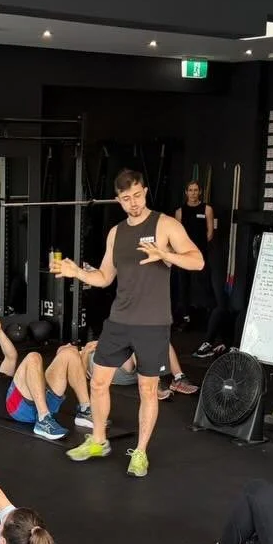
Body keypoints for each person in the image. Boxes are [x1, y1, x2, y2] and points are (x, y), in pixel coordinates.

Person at [52, 169, 204, 476]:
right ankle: (98, 440)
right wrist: (78, 273)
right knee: (97, 381)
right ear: (119, 200)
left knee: (148, 390)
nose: (132, 203)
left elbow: (197, 260)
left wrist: (165, 254)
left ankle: (141, 453)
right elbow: (105, 277)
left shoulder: (165, 224)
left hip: (152, 324)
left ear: (145, 191)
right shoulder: (116, 233)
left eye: (136, 195)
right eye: (125, 198)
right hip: (120, 320)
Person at [0, 317, 91, 441]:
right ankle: (43, 419)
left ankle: (85, 411)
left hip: (41, 398)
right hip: (19, 407)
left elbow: (11, 357)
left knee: (69, 353)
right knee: (33, 357)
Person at [81, 341, 197, 401]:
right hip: (119, 369)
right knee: (137, 344)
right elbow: (80, 377)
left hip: (136, 369)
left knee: (161, 339)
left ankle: (178, 378)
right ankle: (154, 384)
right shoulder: (80, 355)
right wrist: (85, 352)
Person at [175, 180, 215, 327]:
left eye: (195, 190)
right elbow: (176, 235)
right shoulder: (180, 212)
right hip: (184, 254)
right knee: (183, 286)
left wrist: (198, 248)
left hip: (201, 254)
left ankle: (209, 318)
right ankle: (185, 317)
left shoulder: (207, 209)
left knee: (205, 285)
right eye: (190, 190)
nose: (193, 193)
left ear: (200, 192)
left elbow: (210, 233)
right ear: (186, 193)